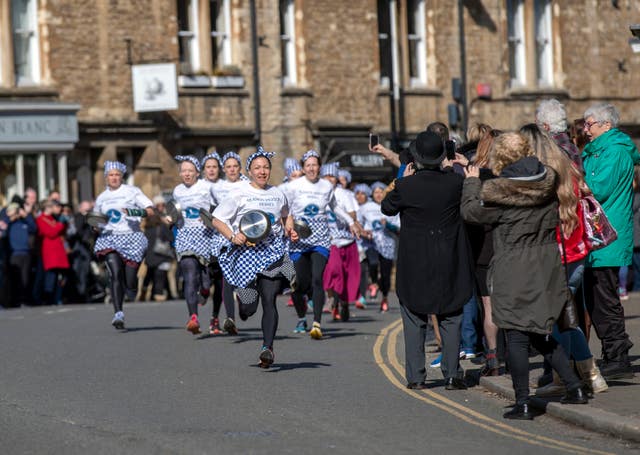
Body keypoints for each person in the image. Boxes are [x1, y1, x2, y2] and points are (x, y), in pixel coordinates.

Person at [461, 132, 588, 420]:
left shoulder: (500, 192)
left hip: (514, 267)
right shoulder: (548, 179)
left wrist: (470, 182)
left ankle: (523, 402)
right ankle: (574, 386)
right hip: (546, 263)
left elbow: (470, 212)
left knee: (517, 337)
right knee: (538, 331)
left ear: (501, 157)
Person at [381, 131, 474, 392]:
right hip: (449, 258)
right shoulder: (455, 183)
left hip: (415, 262)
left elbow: (386, 206)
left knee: (413, 318)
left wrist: (403, 180)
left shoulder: (407, 186)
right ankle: (453, 374)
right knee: (451, 316)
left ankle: (416, 376)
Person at [519, 124, 608, 395]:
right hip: (577, 252)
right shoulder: (569, 169)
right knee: (566, 317)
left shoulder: (540, 176)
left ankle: (564, 378)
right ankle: (592, 375)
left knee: (553, 319)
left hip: (553, 255)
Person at [211, 147, 298, 367]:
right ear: (249, 171)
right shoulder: (239, 193)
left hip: (272, 254)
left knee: (270, 299)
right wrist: (232, 236)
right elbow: (217, 220)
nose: (262, 171)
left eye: (266, 167)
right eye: (257, 168)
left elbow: (287, 214)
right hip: (245, 255)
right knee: (249, 309)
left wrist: (290, 228)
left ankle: (267, 348)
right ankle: (243, 303)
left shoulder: (278, 193)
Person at [581, 103, 638, 379]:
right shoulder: (597, 150)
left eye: (588, 123)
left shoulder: (614, 150)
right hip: (597, 234)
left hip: (608, 234)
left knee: (605, 298)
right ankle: (612, 351)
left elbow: (597, 188)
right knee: (596, 298)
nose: (584, 129)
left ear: (605, 125)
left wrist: (573, 182)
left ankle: (618, 355)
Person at [284, 150, 359, 339]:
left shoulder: (326, 186)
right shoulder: (293, 186)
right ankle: (302, 317)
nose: (311, 168)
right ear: (303, 168)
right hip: (298, 239)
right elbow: (284, 209)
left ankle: (316, 324)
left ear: (319, 166)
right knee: (300, 283)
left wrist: (351, 222)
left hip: (320, 239)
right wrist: (288, 224)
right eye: (307, 165)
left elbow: (334, 207)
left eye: (314, 164)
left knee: (318, 279)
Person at [94, 161, 154, 329]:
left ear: (122, 176)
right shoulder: (102, 198)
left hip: (132, 238)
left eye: (117, 175)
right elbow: (96, 220)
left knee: (129, 281)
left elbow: (150, 210)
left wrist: (135, 212)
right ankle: (118, 313)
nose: (114, 178)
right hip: (110, 238)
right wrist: (95, 224)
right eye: (110, 175)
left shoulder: (132, 192)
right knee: (115, 273)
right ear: (106, 178)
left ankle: (132, 286)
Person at [170, 155, 217, 335]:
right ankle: (193, 318)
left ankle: (205, 291)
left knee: (204, 279)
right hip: (185, 235)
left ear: (198, 172)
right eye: (183, 171)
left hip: (205, 235)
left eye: (190, 170)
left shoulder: (207, 187)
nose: (187, 174)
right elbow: (174, 212)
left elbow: (219, 207)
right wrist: (171, 217)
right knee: (190, 274)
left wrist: (211, 218)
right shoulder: (177, 191)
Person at [321, 163, 362, 321]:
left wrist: (343, 215)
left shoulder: (345, 194)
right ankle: (331, 298)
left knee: (347, 277)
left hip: (347, 240)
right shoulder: (318, 193)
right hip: (329, 241)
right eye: (326, 176)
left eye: (332, 176)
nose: (329, 179)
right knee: (332, 269)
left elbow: (353, 215)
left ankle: (343, 304)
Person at [201, 151, 236, 335]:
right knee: (210, 277)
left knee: (222, 281)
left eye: (215, 167)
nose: (212, 170)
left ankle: (219, 317)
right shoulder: (201, 187)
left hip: (222, 238)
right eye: (209, 167)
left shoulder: (224, 186)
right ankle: (203, 288)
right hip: (202, 237)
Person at [358, 181, 399, 312]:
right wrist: (364, 233)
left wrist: (387, 225)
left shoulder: (392, 206)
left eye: (381, 191)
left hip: (387, 245)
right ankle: (374, 283)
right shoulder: (366, 207)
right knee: (373, 263)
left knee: (386, 276)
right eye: (376, 192)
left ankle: (385, 298)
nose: (379, 194)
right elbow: (358, 223)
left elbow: (399, 228)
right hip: (371, 243)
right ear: (372, 194)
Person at [36, 200, 70, 305]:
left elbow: (61, 231)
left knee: (60, 276)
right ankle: (49, 298)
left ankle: (58, 297)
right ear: (47, 208)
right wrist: (60, 225)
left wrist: (64, 224)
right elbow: (50, 232)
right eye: (52, 207)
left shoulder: (52, 218)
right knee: (51, 276)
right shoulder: (40, 219)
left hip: (58, 250)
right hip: (50, 251)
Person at [142, 195, 174, 302]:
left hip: (150, 256)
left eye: (162, 205)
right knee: (159, 275)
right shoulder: (162, 225)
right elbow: (170, 237)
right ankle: (158, 293)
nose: (161, 207)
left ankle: (146, 292)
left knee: (150, 275)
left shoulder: (146, 225)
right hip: (161, 255)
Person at [4, 201, 36, 307]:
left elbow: (34, 228)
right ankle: (14, 300)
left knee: (25, 278)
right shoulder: (9, 223)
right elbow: (4, 227)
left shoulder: (24, 223)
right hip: (14, 254)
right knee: (15, 279)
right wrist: (10, 215)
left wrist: (26, 215)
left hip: (25, 253)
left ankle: (24, 300)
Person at [536, 99, 582, 170]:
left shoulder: (550, 151)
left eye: (538, 124)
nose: (537, 128)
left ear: (546, 126)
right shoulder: (572, 147)